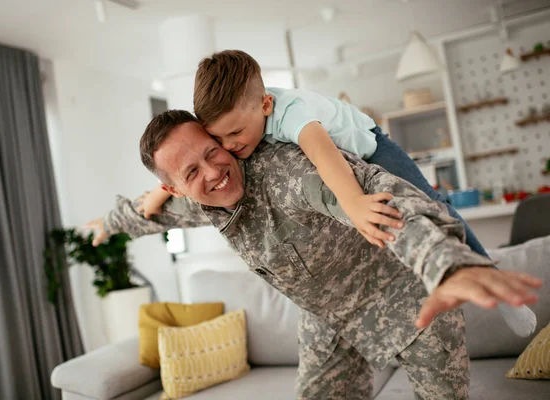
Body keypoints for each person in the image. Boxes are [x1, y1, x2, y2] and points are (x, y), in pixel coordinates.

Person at [87, 110, 541, 399]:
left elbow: (383, 201)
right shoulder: (196, 200)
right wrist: (110, 222)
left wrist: (446, 265)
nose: (215, 171)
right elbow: (152, 215)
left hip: (409, 300)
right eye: (192, 171)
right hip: (332, 320)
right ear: (174, 187)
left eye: (212, 152)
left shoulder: (288, 172)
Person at [135, 49, 536, 337]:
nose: (231, 147)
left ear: (267, 105)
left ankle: (484, 271)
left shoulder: (293, 115)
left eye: (235, 134)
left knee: (433, 205)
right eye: (218, 139)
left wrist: (353, 202)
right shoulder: (242, 119)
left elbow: (325, 157)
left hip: (374, 149)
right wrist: (157, 195)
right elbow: (184, 159)